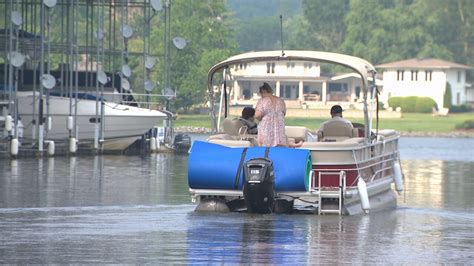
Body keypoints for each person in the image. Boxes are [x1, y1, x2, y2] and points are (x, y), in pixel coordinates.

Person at [255, 82, 302, 147]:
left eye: (261, 93)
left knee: (266, 150)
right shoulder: (281, 101)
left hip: (266, 130)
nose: (261, 95)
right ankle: (292, 146)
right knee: (280, 149)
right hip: (280, 131)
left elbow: (257, 115)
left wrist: (260, 118)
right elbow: (284, 113)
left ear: (263, 91)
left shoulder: (263, 101)